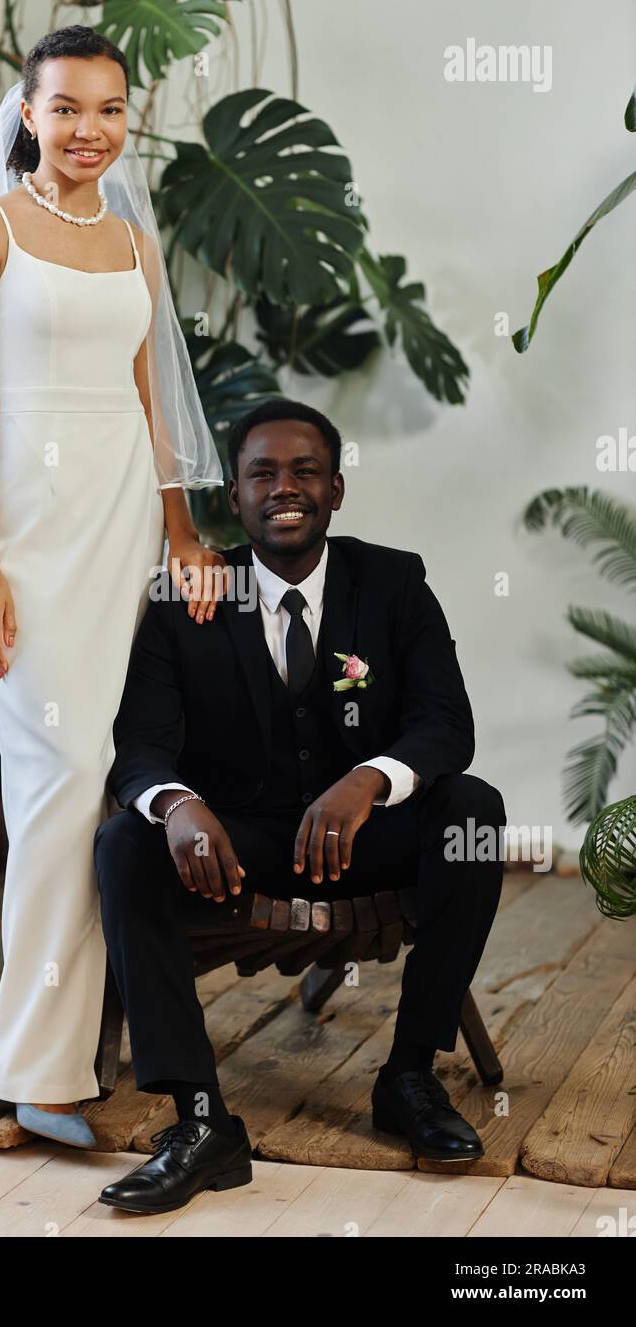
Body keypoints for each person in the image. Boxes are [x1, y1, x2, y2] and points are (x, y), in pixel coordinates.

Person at [0, 27, 225, 1148]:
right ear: (26, 114)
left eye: (111, 110)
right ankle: (32, 1070)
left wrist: (181, 530)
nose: (90, 130)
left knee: (111, 778)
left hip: (126, 522)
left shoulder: (133, 240)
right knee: (55, 784)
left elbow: (149, 398)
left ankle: (62, 1059)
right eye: (67, 108)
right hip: (27, 525)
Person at [93, 397, 507, 1213]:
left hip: (368, 838)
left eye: (305, 472)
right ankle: (201, 1120)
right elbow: (141, 743)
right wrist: (176, 805)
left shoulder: (393, 582)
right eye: (263, 474)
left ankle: (411, 1077)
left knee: (472, 812)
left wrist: (369, 780)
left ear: (337, 490)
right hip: (241, 848)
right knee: (123, 845)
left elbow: (445, 724)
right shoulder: (189, 599)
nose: (286, 488)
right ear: (237, 498)